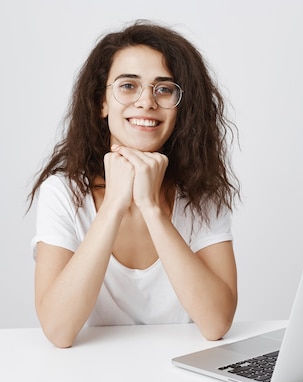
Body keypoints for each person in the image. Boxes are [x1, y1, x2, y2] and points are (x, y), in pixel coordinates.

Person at [28, 20, 240, 348]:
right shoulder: (62, 193)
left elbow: (216, 324)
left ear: (180, 108)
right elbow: (58, 331)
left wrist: (152, 209)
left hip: (184, 379)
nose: (146, 102)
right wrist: (113, 204)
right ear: (102, 101)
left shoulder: (202, 194)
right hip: (91, 379)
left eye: (164, 88)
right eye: (128, 86)